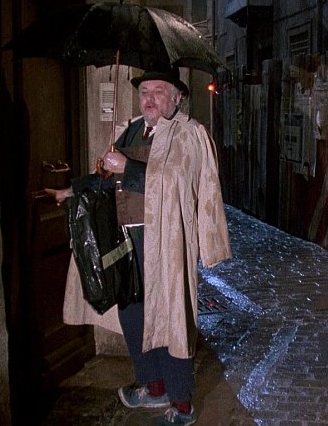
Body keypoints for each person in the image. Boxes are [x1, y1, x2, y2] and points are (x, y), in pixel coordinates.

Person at [47, 68, 231, 426]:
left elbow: (179, 184)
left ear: (177, 97)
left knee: (170, 320)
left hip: (165, 244)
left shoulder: (188, 134)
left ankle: (182, 405)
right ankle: (154, 385)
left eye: (158, 91)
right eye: (144, 91)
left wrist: (127, 168)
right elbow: (106, 179)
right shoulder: (130, 130)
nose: (149, 98)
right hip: (125, 242)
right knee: (133, 314)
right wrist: (72, 189)